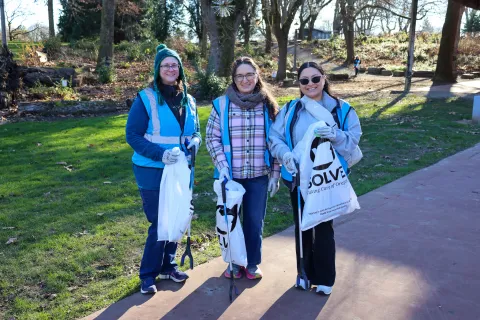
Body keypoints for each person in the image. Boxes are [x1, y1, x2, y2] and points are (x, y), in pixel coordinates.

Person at [269, 61, 362, 295]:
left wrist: (335, 135)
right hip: (298, 178)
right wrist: (285, 155)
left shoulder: (343, 109)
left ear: (323, 78)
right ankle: (304, 274)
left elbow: (353, 140)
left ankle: (325, 279)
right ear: (299, 84)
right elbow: (275, 138)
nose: (310, 84)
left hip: (327, 178)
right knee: (302, 226)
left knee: (323, 227)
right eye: (304, 80)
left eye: (315, 79)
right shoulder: (291, 109)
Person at [126, 44, 201, 294]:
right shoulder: (145, 98)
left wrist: (195, 142)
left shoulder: (188, 99)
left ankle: (168, 266)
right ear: (158, 69)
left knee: (177, 217)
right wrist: (160, 154)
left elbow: (195, 132)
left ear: (180, 69)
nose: (171, 68)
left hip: (180, 169)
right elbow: (132, 135)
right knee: (160, 222)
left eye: (174, 64)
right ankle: (147, 274)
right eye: (165, 64)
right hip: (151, 168)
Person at [206, 57, 280, 280]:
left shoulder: (268, 105)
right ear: (233, 79)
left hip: (258, 176)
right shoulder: (221, 105)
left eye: (249, 74)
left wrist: (275, 173)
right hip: (232, 178)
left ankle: (252, 263)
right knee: (232, 222)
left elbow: (277, 141)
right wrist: (223, 167)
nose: (245, 79)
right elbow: (211, 138)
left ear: (257, 76)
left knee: (254, 220)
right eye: (240, 75)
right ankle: (234, 262)